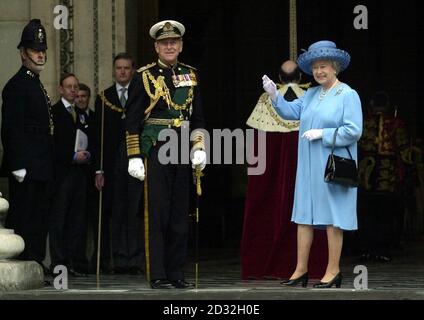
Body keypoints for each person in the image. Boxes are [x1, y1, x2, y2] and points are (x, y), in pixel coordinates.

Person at [262, 40, 363, 288]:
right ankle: (300, 270)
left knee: (332, 218)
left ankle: (333, 271)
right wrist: (275, 96)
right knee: (304, 216)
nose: (319, 71)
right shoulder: (311, 94)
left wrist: (323, 134)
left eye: (324, 66)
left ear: (335, 68)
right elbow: (290, 112)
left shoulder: (347, 94)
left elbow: (354, 130)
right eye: (316, 67)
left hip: (332, 165)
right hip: (308, 167)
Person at [125, 20, 206, 289]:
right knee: (157, 213)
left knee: (180, 214)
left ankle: (176, 272)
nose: (169, 46)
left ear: (180, 46)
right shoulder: (144, 76)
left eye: (173, 42)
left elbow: (198, 118)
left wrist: (199, 147)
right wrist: (134, 155)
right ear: (156, 47)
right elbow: (133, 118)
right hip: (156, 148)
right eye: (164, 43)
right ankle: (158, 273)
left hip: (182, 148)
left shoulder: (191, 75)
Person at [241, 60, 328, 280]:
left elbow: (257, 152)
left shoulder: (266, 99)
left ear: (279, 78)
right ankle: (314, 266)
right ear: (301, 77)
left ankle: (264, 264)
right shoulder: (314, 97)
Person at [1, 19, 54, 272]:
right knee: (26, 216)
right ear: (23, 53)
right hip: (27, 167)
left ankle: (34, 263)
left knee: (38, 217)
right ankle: (26, 264)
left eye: (42, 50)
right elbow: (11, 129)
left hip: (40, 165)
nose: (40, 55)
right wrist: (18, 164)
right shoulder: (17, 85)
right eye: (35, 50)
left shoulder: (34, 82)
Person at [92, 52, 144, 275]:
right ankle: (120, 259)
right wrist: (99, 169)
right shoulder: (104, 97)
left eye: (126, 68)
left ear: (132, 70)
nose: (122, 71)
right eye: (118, 68)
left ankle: (135, 259)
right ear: (114, 71)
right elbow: (98, 137)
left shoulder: (141, 94)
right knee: (117, 211)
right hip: (113, 163)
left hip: (136, 159)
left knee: (135, 210)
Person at [358, 91, 409, 262]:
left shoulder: (364, 122)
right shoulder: (396, 123)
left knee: (366, 213)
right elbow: (404, 150)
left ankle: (366, 249)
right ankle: (383, 250)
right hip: (388, 176)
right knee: (386, 213)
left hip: (366, 173)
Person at [49, 73, 90, 276]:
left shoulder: (81, 113)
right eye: (69, 86)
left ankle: (74, 261)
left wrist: (86, 154)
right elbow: (52, 145)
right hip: (62, 173)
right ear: (61, 89)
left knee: (77, 219)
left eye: (75, 86)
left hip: (79, 174)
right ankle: (59, 263)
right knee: (59, 219)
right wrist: (71, 157)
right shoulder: (54, 113)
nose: (74, 90)